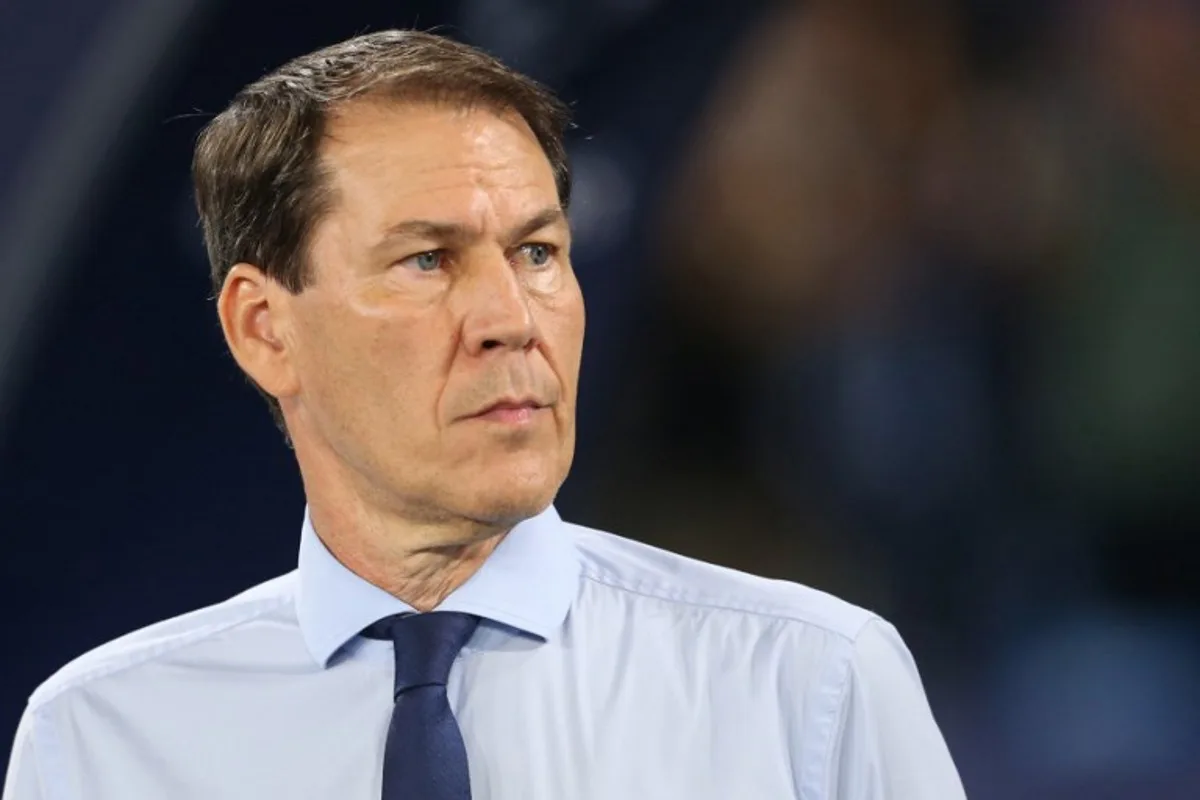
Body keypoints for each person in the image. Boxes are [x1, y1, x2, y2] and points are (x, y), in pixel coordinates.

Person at [3, 30, 965, 800]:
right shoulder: (100, 741)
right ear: (264, 329)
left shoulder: (811, 688)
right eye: (427, 260)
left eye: (538, 252)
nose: (511, 320)